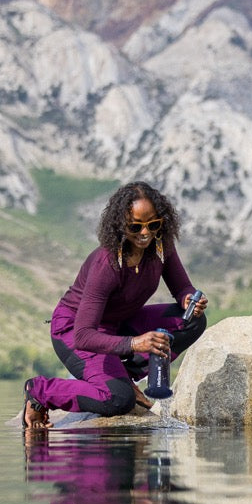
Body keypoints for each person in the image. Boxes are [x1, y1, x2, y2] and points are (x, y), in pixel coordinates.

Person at [23, 181, 209, 429]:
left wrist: (188, 299)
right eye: (136, 226)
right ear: (121, 225)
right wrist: (134, 343)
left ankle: (125, 375)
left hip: (120, 324)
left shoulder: (161, 246)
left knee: (192, 321)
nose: (145, 233)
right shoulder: (106, 264)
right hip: (75, 330)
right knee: (118, 400)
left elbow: (182, 288)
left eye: (153, 225)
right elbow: (83, 336)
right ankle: (40, 391)